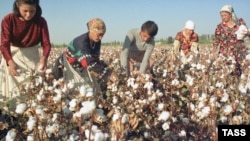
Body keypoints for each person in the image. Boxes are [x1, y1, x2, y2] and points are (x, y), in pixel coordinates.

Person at [0, 0, 51, 109]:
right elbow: (4, 44)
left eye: (32, 11)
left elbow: (46, 44)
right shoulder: (8, 19)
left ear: (37, 8)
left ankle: (30, 117)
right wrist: (10, 62)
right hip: (13, 56)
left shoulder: (41, 21)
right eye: (25, 11)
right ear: (18, 6)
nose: (28, 14)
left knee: (32, 88)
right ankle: (11, 117)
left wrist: (44, 58)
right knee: (12, 90)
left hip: (32, 57)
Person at [52, 18, 109, 93]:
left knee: (92, 89)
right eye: (99, 34)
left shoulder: (97, 41)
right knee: (74, 92)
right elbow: (90, 64)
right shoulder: (81, 42)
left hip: (80, 67)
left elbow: (95, 59)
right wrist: (109, 73)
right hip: (66, 67)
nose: (101, 37)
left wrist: (105, 68)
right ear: (91, 30)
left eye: (103, 34)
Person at [213, 5, 250, 76]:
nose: (223, 17)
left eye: (225, 15)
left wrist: (248, 33)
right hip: (226, 53)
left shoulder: (239, 22)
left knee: (242, 72)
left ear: (230, 14)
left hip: (240, 52)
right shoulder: (219, 27)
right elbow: (216, 41)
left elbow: (246, 32)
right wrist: (214, 53)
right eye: (221, 15)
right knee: (228, 73)